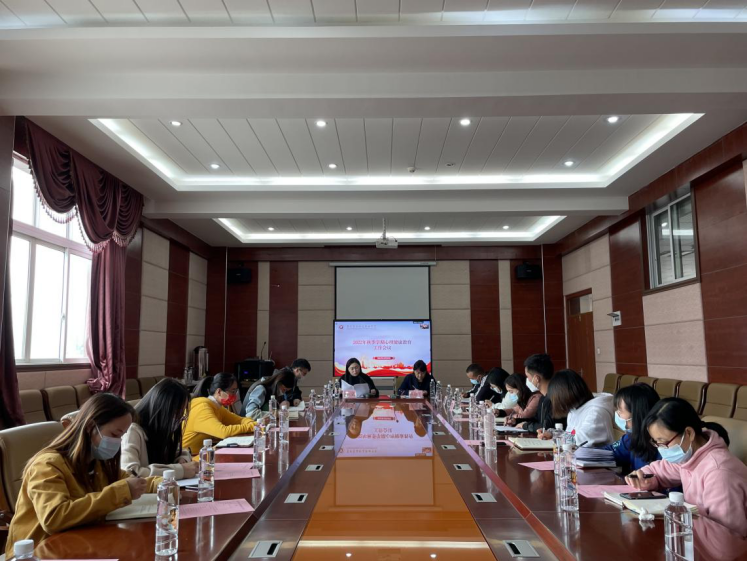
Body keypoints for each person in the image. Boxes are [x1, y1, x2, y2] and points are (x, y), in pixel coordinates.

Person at [6, 393, 160, 556]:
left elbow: (132, 480)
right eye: (115, 435)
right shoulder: (46, 465)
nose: (118, 442)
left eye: (121, 436)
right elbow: (54, 518)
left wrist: (164, 483)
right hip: (38, 552)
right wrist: (120, 492)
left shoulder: (96, 463)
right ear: (90, 427)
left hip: (78, 544)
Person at [626, 398, 747, 538]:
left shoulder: (718, 472)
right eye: (656, 442)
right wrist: (643, 478)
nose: (661, 449)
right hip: (697, 538)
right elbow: (660, 470)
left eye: (663, 442)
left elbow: (726, 537)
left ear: (689, 433)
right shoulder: (690, 455)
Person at [121, 378, 198, 479]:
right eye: (176, 414)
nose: (178, 420)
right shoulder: (132, 430)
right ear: (161, 409)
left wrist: (182, 459)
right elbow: (131, 472)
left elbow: (179, 450)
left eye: (181, 415)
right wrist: (180, 471)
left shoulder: (159, 428)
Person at [182, 372, 256, 457]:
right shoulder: (202, 408)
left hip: (203, 454)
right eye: (233, 391)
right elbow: (223, 432)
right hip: (189, 458)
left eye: (236, 391)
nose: (235, 396)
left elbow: (240, 420)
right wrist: (253, 426)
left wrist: (252, 424)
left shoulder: (217, 407)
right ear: (219, 392)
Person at [598, 383, 661, 472]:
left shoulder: (663, 446)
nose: (617, 414)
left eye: (620, 411)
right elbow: (610, 452)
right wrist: (581, 453)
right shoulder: (631, 438)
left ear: (637, 414)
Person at [545, 369, 614, 447]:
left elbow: (578, 440)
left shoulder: (595, 412)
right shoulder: (575, 409)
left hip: (594, 454)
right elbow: (570, 435)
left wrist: (554, 438)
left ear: (565, 395)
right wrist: (552, 434)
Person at [516, 354, 565, 433]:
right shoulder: (543, 398)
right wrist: (516, 421)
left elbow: (546, 427)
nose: (527, 380)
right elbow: (537, 419)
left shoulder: (556, 398)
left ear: (537, 378)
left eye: (527, 376)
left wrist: (525, 426)